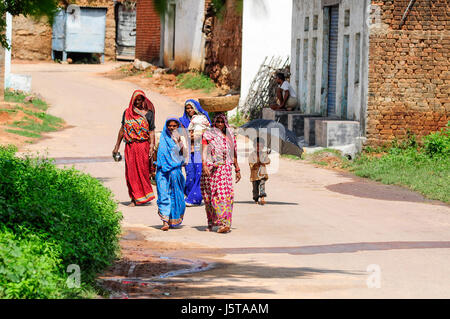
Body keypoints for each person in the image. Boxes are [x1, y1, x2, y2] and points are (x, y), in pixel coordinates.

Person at [113, 90, 156, 206]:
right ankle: (134, 198)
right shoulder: (127, 113)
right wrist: (117, 146)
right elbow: (122, 129)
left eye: (140, 99)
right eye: (136, 99)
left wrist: (152, 145)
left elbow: (151, 131)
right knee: (131, 172)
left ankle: (144, 195)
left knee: (143, 171)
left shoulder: (149, 113)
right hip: (130, 146)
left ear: (143, 100)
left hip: (143, 146)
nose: (138, 102)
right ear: (132, 100)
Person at [200, 113, 241, 233]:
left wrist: (237, 169)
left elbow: (233, 155)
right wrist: (204, 165)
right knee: (209, 197)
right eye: (217, 122)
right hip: (211, 169)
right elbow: (204, 151)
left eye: (221, 122)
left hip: (225, 169)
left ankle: (225, 223)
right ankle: (211, 222)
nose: (219, 124)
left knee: (224, 195)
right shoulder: (208, 135)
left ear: (225, 123)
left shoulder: (229, 136)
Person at [156, 118, 187, 231]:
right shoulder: (161, 137)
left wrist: (179, 142)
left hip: (175, 171)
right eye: (170, 125)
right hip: (162, 171)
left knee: (176, 195)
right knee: (163, 194)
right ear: (166, 126)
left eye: (174, 126)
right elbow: (156, 153)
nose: (172, 128)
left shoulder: (181, 137)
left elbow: (184, 154)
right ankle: (165, 221)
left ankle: (173, 218)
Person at [179, 99, 211, 207]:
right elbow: (182, 136)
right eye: (187, 108)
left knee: (199, 173)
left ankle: (195, 198)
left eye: (191, 108)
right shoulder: (182, 121)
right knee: (190, 174)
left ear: (196, 108)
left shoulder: (203, 119)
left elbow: (208, 133)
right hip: (188, 151)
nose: (189, 110)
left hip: (199, 150)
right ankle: (189, 195)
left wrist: (195, 135)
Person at [248, 137, 271, 205]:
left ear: (263, 146)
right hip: (254, 175)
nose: (259, 147)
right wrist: (257, 162)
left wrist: (264, 159)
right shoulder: (252, 155)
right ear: (254, 146)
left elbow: (268, 161)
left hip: (262, 174)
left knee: (262, 185)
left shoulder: (264, 154)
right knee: (255, 188)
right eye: (257, 146)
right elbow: (251, 164)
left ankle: (262, 198)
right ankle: (256, 198)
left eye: (261, 146)